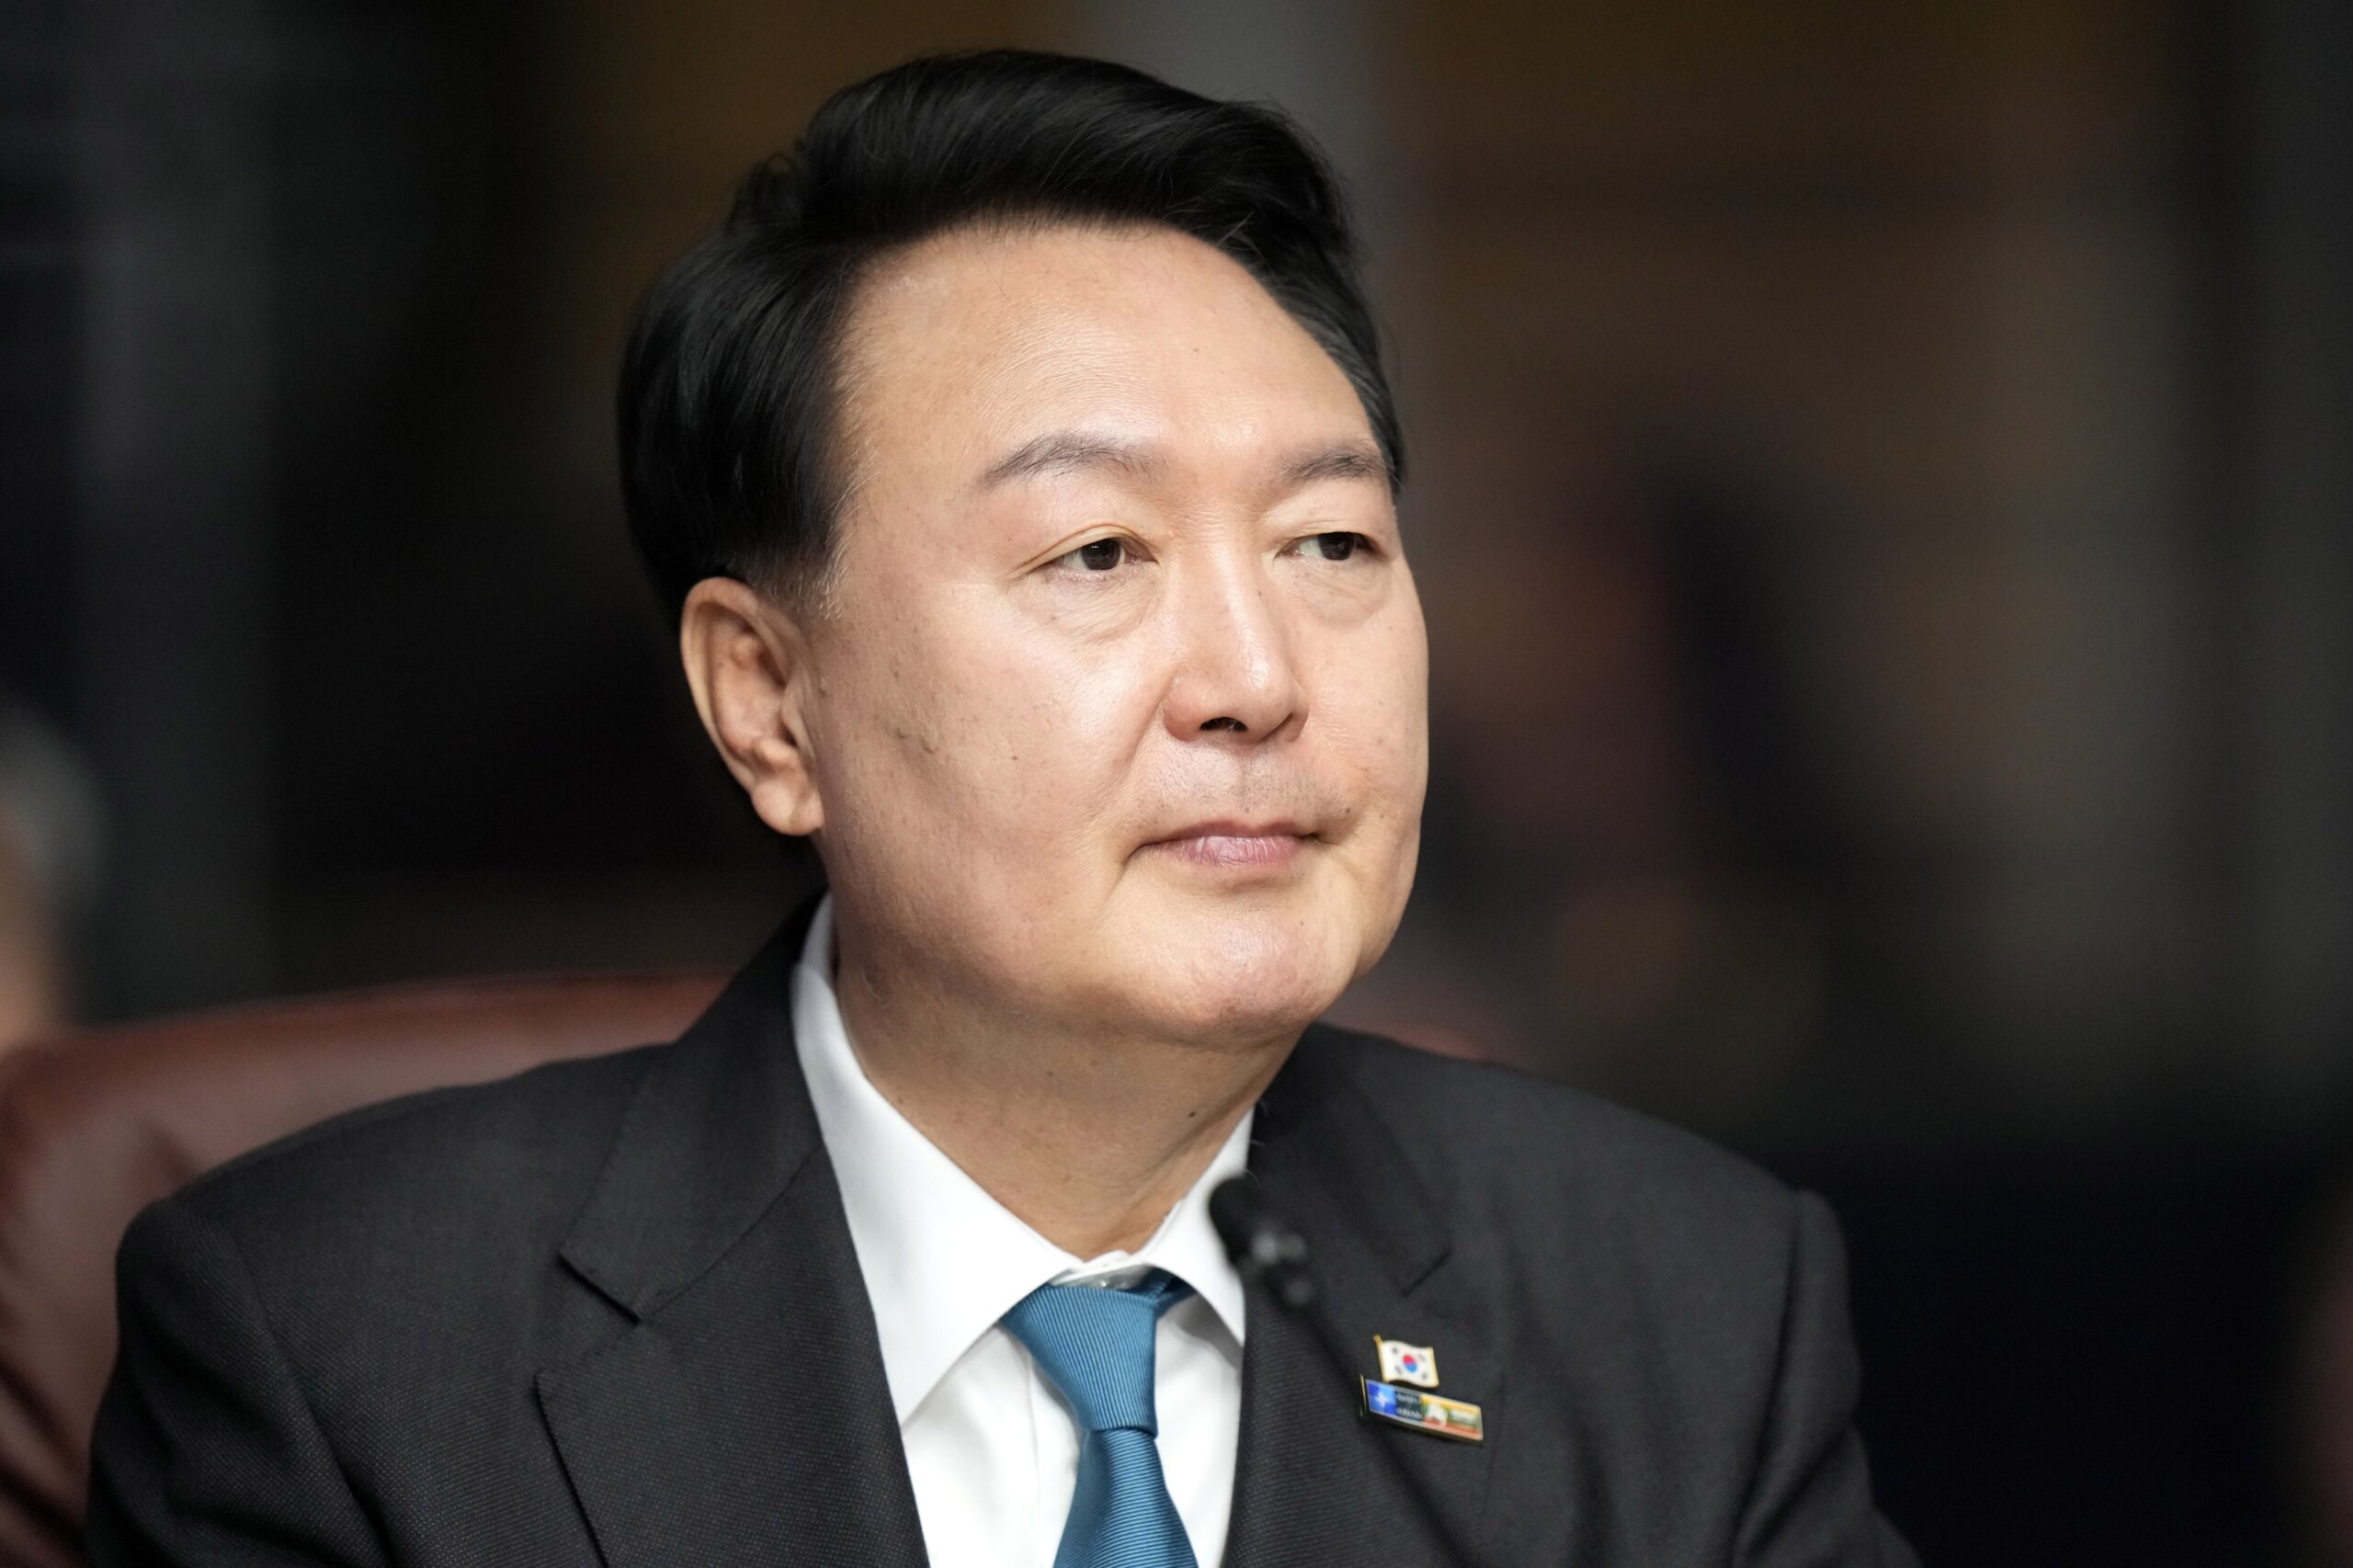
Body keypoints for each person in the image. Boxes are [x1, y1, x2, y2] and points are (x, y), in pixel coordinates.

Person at [86, 51, 1916, 1567]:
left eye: (1330, 543)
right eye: (1098, 551)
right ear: (767, 699)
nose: (1257, 676)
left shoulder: (1674, 1302)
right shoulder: (342, 1340)